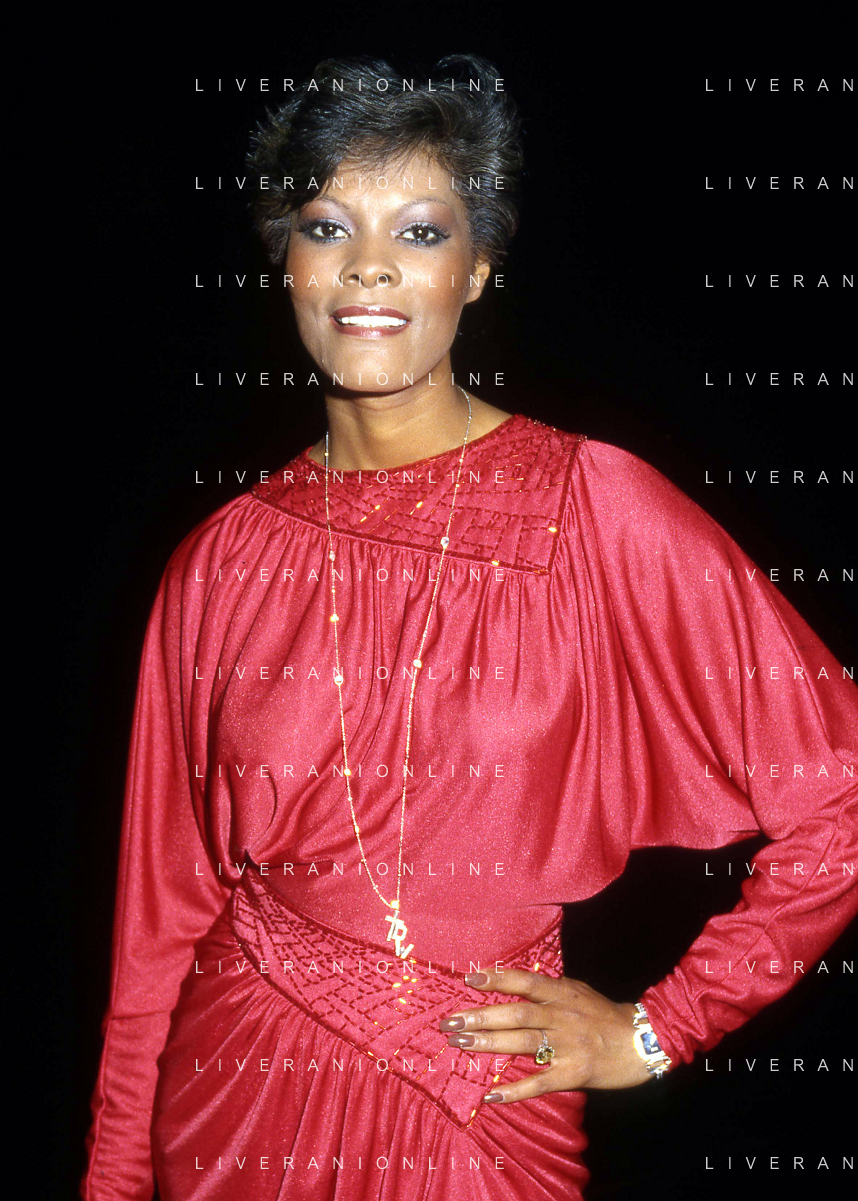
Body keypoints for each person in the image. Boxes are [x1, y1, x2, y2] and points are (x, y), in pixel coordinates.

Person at [81, 54, 858, 1201]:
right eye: (328, 227)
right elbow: (158, 923)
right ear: (286, 261)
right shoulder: (219, 562)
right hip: (235, 1088)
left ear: (479, 267)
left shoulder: (593, 507)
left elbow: (843, 800)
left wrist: (658, 1028)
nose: (370, 265)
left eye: (422, 231)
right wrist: (110, 1180)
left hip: (482, 1102)